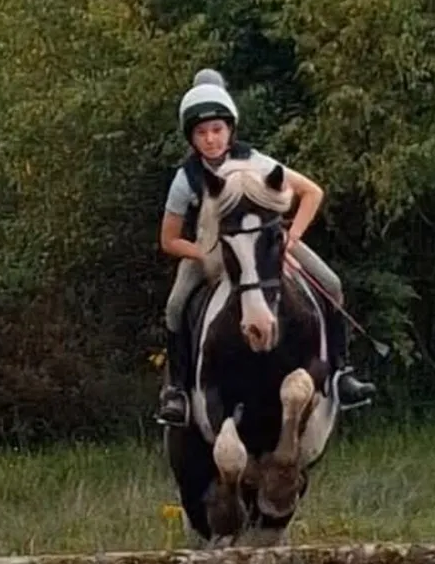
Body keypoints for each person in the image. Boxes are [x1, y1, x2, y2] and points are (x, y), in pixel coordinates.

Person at [155, 68, 376, 427]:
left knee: (332, 284)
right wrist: (205, 254)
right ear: (191, 137)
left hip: (263, 247)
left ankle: (341, 373)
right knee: (175, 305)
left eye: (217, 130)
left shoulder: (256, 161)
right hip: (211, 252)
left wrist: (292, 238)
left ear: (230, 129)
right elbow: (169, 240)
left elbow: (312, 192)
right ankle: (177, 390)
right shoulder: (187, 179)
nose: (210, 139)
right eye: (201, 132)